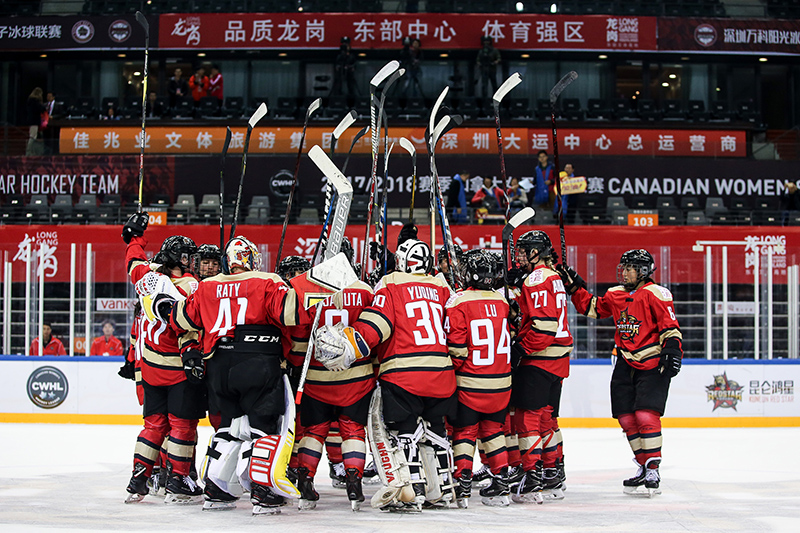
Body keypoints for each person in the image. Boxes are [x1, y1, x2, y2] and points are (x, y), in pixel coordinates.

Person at [167, 236, 353, 514]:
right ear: (252, 258)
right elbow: (291, 313)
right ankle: (263, 491)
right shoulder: (268, 281)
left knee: (229, 428)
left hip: (218, 368)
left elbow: (181, 320)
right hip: (258, 363)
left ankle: (217, 490)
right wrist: (319, 282)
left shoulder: (207, 285)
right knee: (264, 429)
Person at [314, 239, 457, 511]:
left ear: (401, 260)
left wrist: (348, 345)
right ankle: (441, 490)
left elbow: (377, 325)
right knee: (435, 430)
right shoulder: (440, 285)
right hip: (443, 374)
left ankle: (411, 490)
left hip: (404, 374)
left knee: (400, 432)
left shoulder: (390, 283)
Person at [557, 250, 682, 497]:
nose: (624, 272)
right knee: (626, 418)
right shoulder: (615, 294)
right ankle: (643, 464)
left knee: (646, 416)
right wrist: (574, 286)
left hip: (652, 361)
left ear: (643, 271)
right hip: (625, 361)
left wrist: (672, 350)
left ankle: (653, 466)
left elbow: (670, 326)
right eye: (623, 267)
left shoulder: (657, 294)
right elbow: (592, 308)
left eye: (630, 268)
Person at [121, 212, 206, 505]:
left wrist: (135, 237)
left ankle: (138, 478)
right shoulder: (189, 286)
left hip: (150, 367)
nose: (191, 262)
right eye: (188, 257)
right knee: (182, 425)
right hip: (177, 367)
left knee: (154, 425)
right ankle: (179, 481)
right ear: (178, 259)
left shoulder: (147, 277)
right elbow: (186, 324)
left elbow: (134, 261)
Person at [286, 246, 375, 511]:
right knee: (353, 431)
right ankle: (353, 482)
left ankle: (305, 482)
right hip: (356, 379)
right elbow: (373, 336)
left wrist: (297, 365)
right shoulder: (365, 291)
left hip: (316, 380)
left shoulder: (310, 291)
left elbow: (299, 342)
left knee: (314, 431)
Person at [510, 230, 573, 504]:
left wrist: (522, 347)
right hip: (558, 360)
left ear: (536, 252)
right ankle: (553, 471)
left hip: (540, 356)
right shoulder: (553, 276)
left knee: (527, 418)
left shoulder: (536, 278)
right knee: (547, 418)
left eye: (525, 251)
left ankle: (532, 476)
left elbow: (544, 327)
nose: (520, 256)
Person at [447, 249, 513, 508]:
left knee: (465, 432)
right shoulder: (502, 301)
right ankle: (501, 483)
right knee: (494, 431)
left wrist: (452, 370)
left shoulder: (458, 301)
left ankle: (462, 482)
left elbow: (457, 348)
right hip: (501, 383)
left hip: (471, 383)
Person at [25, 87, 45, 156]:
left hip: (31, 120)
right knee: (33, 136)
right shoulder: (35, 101)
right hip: (34, 121)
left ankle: (32, 151)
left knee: (33, 136)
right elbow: (41, 109)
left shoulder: (30, 101)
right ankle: (28, 151)